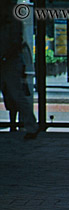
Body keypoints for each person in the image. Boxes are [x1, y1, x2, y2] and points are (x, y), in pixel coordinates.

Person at [0, 5, 40, 139]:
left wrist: (5, 56)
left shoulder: (12, 22)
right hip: (8, 60)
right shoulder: (11, 21)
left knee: (17, 94)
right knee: (16, 94)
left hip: (9, 61)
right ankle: (30, 125)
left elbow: (15, 43)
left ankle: (31, 125)